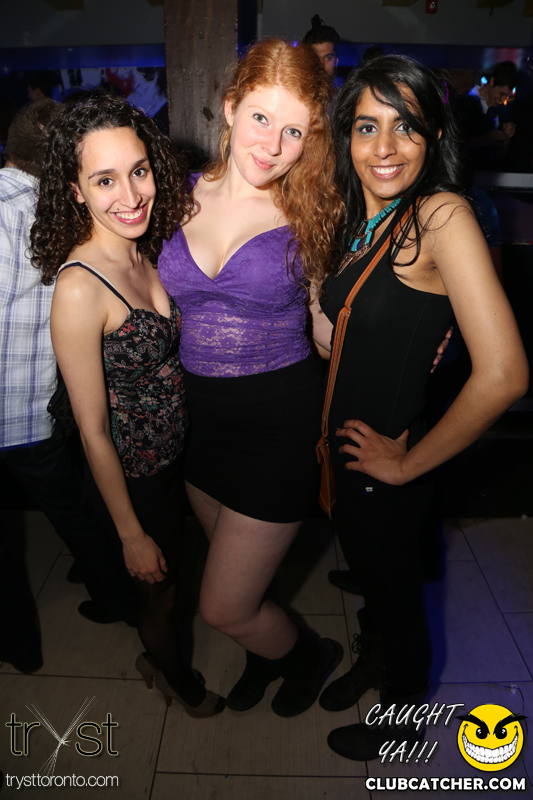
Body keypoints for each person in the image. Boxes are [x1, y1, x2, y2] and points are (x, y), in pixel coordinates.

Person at [311, 54, 528, 760]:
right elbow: (338, 339)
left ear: (434, 135)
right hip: (348, 454)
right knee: (376, 585)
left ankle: (399, 723)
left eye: (405, 126)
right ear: (345, 137)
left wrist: (407, 464)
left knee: (398, 599)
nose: (384, 147)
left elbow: (505, 374)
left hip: (388, 460)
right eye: (366, 126)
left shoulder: (440, 213)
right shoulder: (366, 217)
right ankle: (373, 660)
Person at [158, 38, 345, 717]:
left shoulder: (311, 211)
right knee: (241, 579)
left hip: (277, 426)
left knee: (223, 605)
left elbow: (325, 327)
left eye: (294, 131)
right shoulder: (172, 195)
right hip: (198, 423)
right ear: (231, 107)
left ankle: (309, 656)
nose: (272, 145)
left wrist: (396, 340)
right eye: (261, 118)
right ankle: (265, 654)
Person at [30, 92, 224, 717]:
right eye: (105, 179)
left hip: (175, 461)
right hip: (135, 478)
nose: (132, 194)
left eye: (139, 170)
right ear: (75, 190)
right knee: (160, 595)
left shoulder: (144, 246)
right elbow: (92, 431)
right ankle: (176, 679)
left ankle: (160, 657)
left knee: (182, 577)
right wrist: (130, 533)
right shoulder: (79, 287)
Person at [0, 99, 138, 675]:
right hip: (39, 412)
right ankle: (121, 601)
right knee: (78, 516)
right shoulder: (75, 213)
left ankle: (21, 649)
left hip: (25, 409)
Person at [456, 60, 517, 167]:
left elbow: (499, 158)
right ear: (492, 81)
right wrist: (483, 140)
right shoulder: (463, 103)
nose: (503, 100)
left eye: (506, 97)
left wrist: (508, 137)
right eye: (501, 94)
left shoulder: (502, 111)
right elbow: (455, 144)